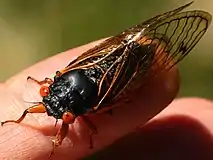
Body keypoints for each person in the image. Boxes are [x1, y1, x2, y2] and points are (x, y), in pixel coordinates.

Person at [0, 39, 212, 160]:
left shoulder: (91, 106)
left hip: (121, 76)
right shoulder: (62, 83)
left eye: (65, 115)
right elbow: (89, 126)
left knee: (123, 97)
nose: (51, 107)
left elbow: (93, 123)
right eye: (45, 90)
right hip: (106, 64)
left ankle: (146, 49)